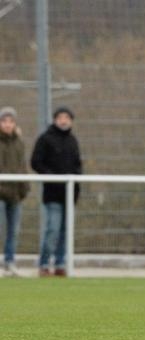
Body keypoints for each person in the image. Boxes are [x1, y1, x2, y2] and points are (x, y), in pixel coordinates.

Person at [31, 106, 82, 277]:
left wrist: (76, 186)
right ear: (55, 119)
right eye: (60, 117)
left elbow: (77, 166)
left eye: (67, 117)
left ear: (71, 120)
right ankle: (44, 264)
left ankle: (60, 264)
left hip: (69, 195)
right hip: (52, 194)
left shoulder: (73, 141)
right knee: (52, 230)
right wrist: (52, 177)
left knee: (65, 232)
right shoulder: (45, 139)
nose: (63, 120)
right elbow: (36, 162)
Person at [0, 107, 30, 277]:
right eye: (4, 121)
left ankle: (10, 263)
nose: (7, 124)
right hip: (0, 193)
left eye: (10, 121)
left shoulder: (19, 142)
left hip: (15, 193)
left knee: (13, 231)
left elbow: (22, 166)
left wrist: (24, 188)